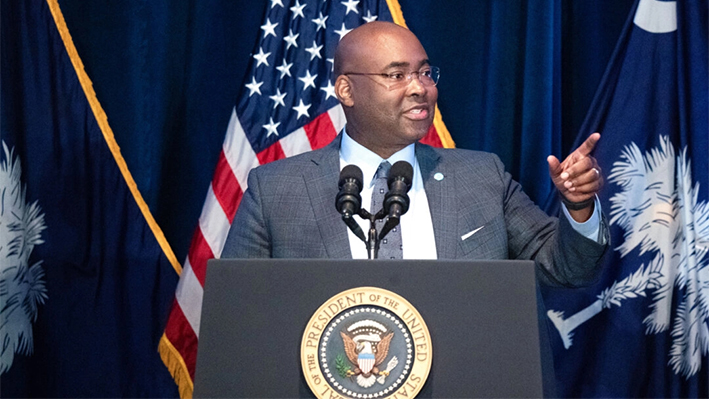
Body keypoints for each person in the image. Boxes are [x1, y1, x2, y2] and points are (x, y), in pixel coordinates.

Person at [221, 21, 608, 288]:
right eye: (397, 75)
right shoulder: (275, 191)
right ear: (346, 90)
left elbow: (566, 270)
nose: (420, 88)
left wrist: (578, 208)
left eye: (424, 73)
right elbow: (241, 312)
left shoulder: (481, 177)